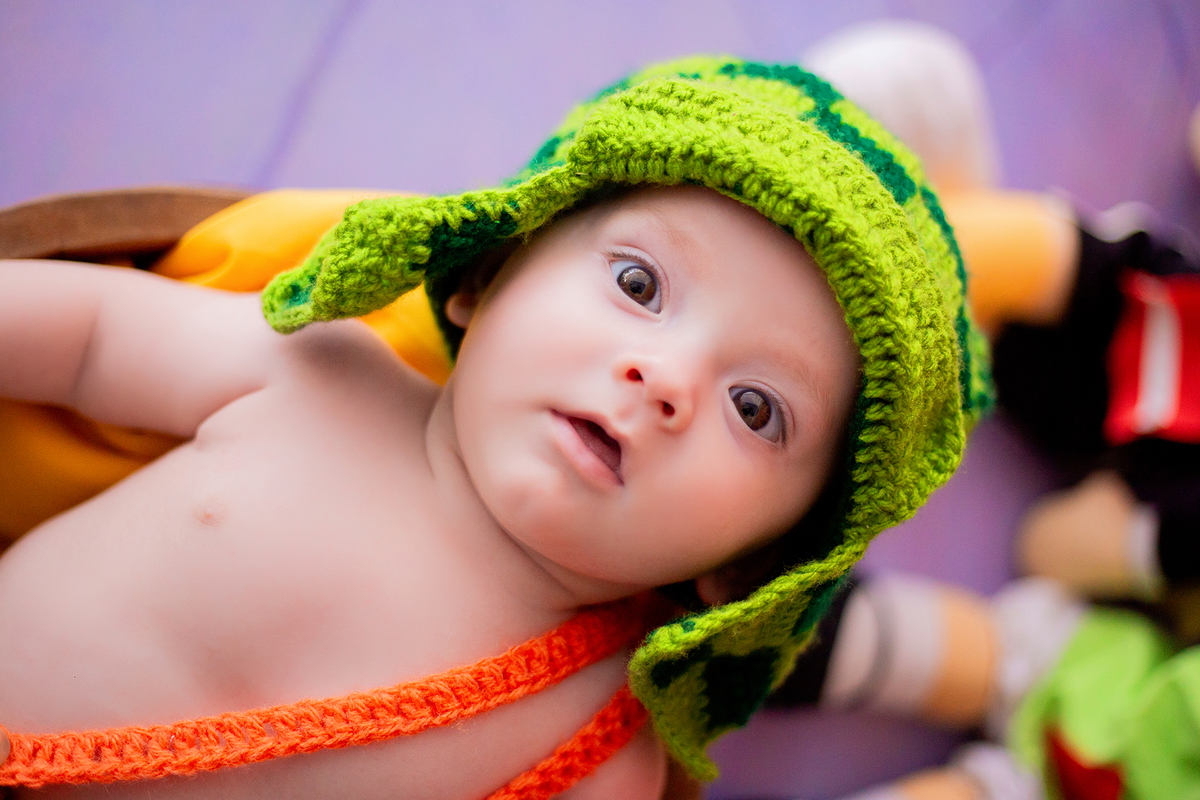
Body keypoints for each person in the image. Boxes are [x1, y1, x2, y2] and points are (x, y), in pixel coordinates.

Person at [0, 55, 990, 799]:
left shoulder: (599, 747)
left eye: (756, 407)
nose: (666, 379)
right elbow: (89, 336)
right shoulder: (310, 372)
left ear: (754, 568)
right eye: (638, 283)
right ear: (486, 272)